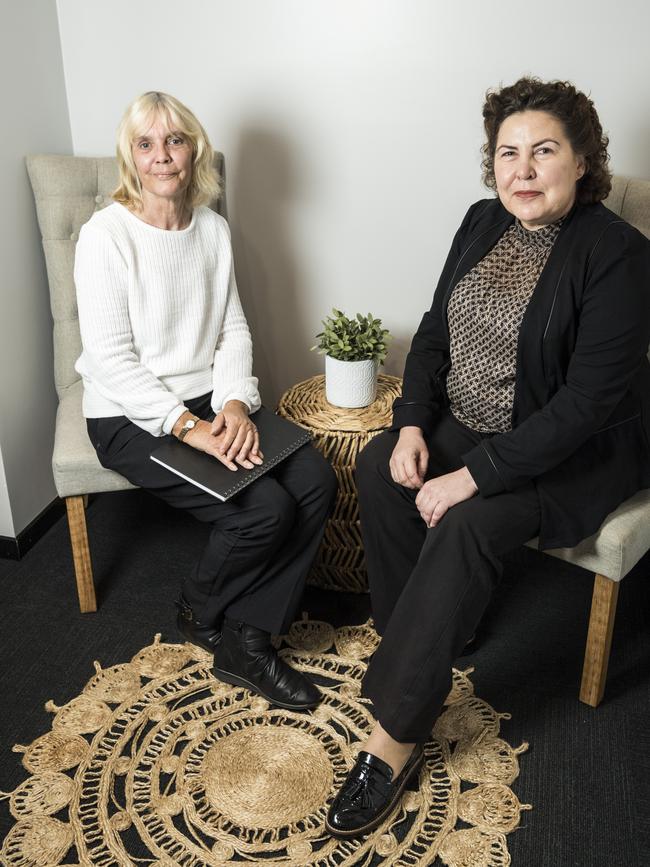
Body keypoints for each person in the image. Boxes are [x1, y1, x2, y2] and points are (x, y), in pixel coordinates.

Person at [326, 76, 650, 837]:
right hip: (473, 420)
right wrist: (411, 424)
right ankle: (435, 633)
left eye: (544, 151)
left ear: (582, 161)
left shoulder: (619, 253)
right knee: (379, 462)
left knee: (468, 523)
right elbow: (437, 330)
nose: (523, 170)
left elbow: (584, 406)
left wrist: (470, 475)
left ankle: (393, 736)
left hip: (575, 451)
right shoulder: (480, 221)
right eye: (509, 153)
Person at [74, 91, 337, 712]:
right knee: (264, 510)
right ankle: (201, 604)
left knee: (317, 481)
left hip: (209, 400)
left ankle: (245, 635)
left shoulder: (212, 229)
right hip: (129, 413)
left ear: (195, 151)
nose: (162, 156)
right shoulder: (105, 237)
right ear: (129, 157)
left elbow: (232, 331)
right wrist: (190, 427)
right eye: (146, 144)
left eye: (175, 141)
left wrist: (237, 406)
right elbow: (112, 359)